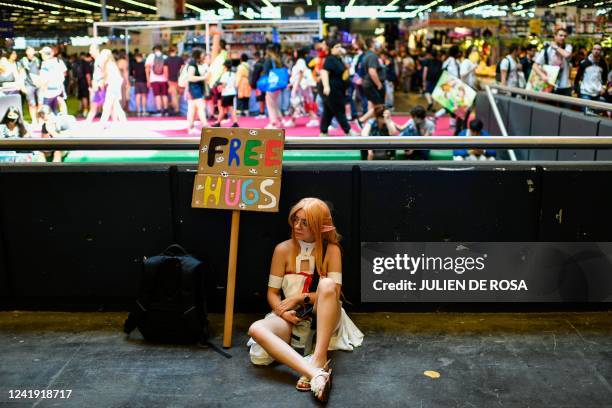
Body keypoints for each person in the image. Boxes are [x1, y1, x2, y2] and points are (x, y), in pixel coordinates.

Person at [247, 197, 364, 403]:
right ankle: (315, 373)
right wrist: (283, 312)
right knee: (256, 330)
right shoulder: (281, 249)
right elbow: (272, 294)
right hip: (292, 317)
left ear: (320, 227)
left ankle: (318, 358)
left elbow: (333, 293)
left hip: (325, 316)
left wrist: (300, 297)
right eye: (295, 220)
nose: (297, 226)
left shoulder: (332, 250)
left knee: (327, 285)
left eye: (305, 222)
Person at [320, 41, 359, 137]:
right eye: (337, 46)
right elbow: (324, 72)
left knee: (328, 111)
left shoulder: (339, 59)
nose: (339, 48)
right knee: (339, 110)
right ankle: (348, 130)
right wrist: (326, 86)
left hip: (339, 89)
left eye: (340, 46)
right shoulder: (330, 59)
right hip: (332, 90)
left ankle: (323, 131)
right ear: (331, 49)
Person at [532, 28, 573, 98]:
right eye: (560, 35)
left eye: (565, 36)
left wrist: (555, 47)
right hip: (550, 85)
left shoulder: (567, 47)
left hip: (564, 86)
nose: (563, 38)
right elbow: (535, 65)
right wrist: (542, 75)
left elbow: (566, 55)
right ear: (555, 36)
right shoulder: (547, 50)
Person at [284, 47, 318, 128]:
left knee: (297, 103)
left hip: (301, 87)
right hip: (300, 86)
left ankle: (294, 120)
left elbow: (300, 74)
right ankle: (312, 119)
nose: (294, 53)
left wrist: (295, 86)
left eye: (295, 51)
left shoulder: (300, 61)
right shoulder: (300, 61)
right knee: (302, 103)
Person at [357, 37, 385, 127]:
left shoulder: (366, 55)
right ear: (372, 44)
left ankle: (370, 124)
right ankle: (361, 120)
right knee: (379, 107)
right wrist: (379, 84)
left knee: (371, 104)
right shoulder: (372, 56)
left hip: (367, 84)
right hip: (371, 84)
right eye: (376, 42)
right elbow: (372, 71)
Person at [574, 43, 608, 115]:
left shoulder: (603, 64)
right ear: (592, 50)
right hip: (585, 92)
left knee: (595, 114)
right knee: (587, 114)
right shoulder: (584, 63)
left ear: (601, 51)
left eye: (598, 49)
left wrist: (604, 87)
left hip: (597, 93)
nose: (596, 51)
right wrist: (577, 90)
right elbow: (577, 77)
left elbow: (605, 77)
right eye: (594, 49)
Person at [98, 49, 127, 126]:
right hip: (115, 85)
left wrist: (103, 84)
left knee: (108, 104)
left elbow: (106, 76)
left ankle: (103, 122)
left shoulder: (108, 64)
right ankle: (122, 121)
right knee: (116, 105)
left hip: (113, 85)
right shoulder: (111, 63)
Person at [185, 48, 208, 135]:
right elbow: (190, 77)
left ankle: (191, 127)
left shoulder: (196, 63)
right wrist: (203, 77)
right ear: (198, 55)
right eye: (202, 54)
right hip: (194, 89)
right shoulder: (192, 64)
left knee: (193, 109)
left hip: (196, 89)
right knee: (200, 107)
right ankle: (205, 125)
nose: (203, 55)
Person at [39, 47, 67, 114]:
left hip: (49, 90)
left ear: (44, 54)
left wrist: (42, 90)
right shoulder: (58, 61)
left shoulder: (45, 64)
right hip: (59, 88)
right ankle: (63, 120)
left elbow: (44, 79)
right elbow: (65, 73)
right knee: (56, 108)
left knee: (46, 109)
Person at [18, 47, 43, 125]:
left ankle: (40, 119)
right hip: (28, 84)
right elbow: (20, 73)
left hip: (39, 84)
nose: (31, 53)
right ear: (26, 52)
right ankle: (34, 120)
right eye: (29, 51)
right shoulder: (22, 61)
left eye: (32, 51)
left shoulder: (38, 60)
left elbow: (41, 71)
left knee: (40, 102)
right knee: (31, 103)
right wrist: (22, 86)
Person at [212, 59, 238, 128]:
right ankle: (235, 122)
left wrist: (219, 87)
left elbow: (224, 84)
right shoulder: (233, 74)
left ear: (225, 67)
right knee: (231, 108)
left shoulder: (225, 75)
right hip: (232, 92)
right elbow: (235, 84)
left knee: (223, 109)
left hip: (226, 93)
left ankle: (218, 123)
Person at [263, 45, 284, 129]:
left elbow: (265, 72)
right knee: (275, 103)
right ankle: (280, 120)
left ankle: (273, 123)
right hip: (278, 84)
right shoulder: (278, 60)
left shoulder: (269, 60)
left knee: (270, 104)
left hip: (271, 84)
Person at [145, 45, 169, 116]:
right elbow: (167, 70)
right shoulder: (165, 57)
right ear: (161, 49)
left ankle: (159, 111)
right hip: (164, 79)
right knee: (164, 95)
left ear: (154, 49)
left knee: (157, 95)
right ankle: (166, 110)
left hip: (154, 79)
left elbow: (147, 69)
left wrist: (148, 80)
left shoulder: (151, 56)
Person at [165, 46, 184, 116]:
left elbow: (165, 71)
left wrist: (167, 80)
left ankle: (175, 109)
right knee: (178, 95)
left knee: (174, 95)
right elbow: (183, 69)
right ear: (176, 51)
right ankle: (176, 108)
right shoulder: (180, 59)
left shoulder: (166, 60)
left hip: (171, 80)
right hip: (179, 79)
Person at [74, 52, 93, 118]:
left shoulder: (79, 62)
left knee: (82, 97)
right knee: (86, 96)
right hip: (85, 82)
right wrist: (90, 83)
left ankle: (83, 110)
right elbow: (87, 75)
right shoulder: (86, 63)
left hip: (80, 81)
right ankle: (86, 111)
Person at [249, 51, 266, 119]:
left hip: (259, 83)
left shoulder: (257, 65)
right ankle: (262, 112)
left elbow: (255, 75)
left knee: (261, 98)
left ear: (256, 57)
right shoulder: (263, 63)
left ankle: (261, 113)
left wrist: (253, 84)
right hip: (264, 82)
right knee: (263, 98)